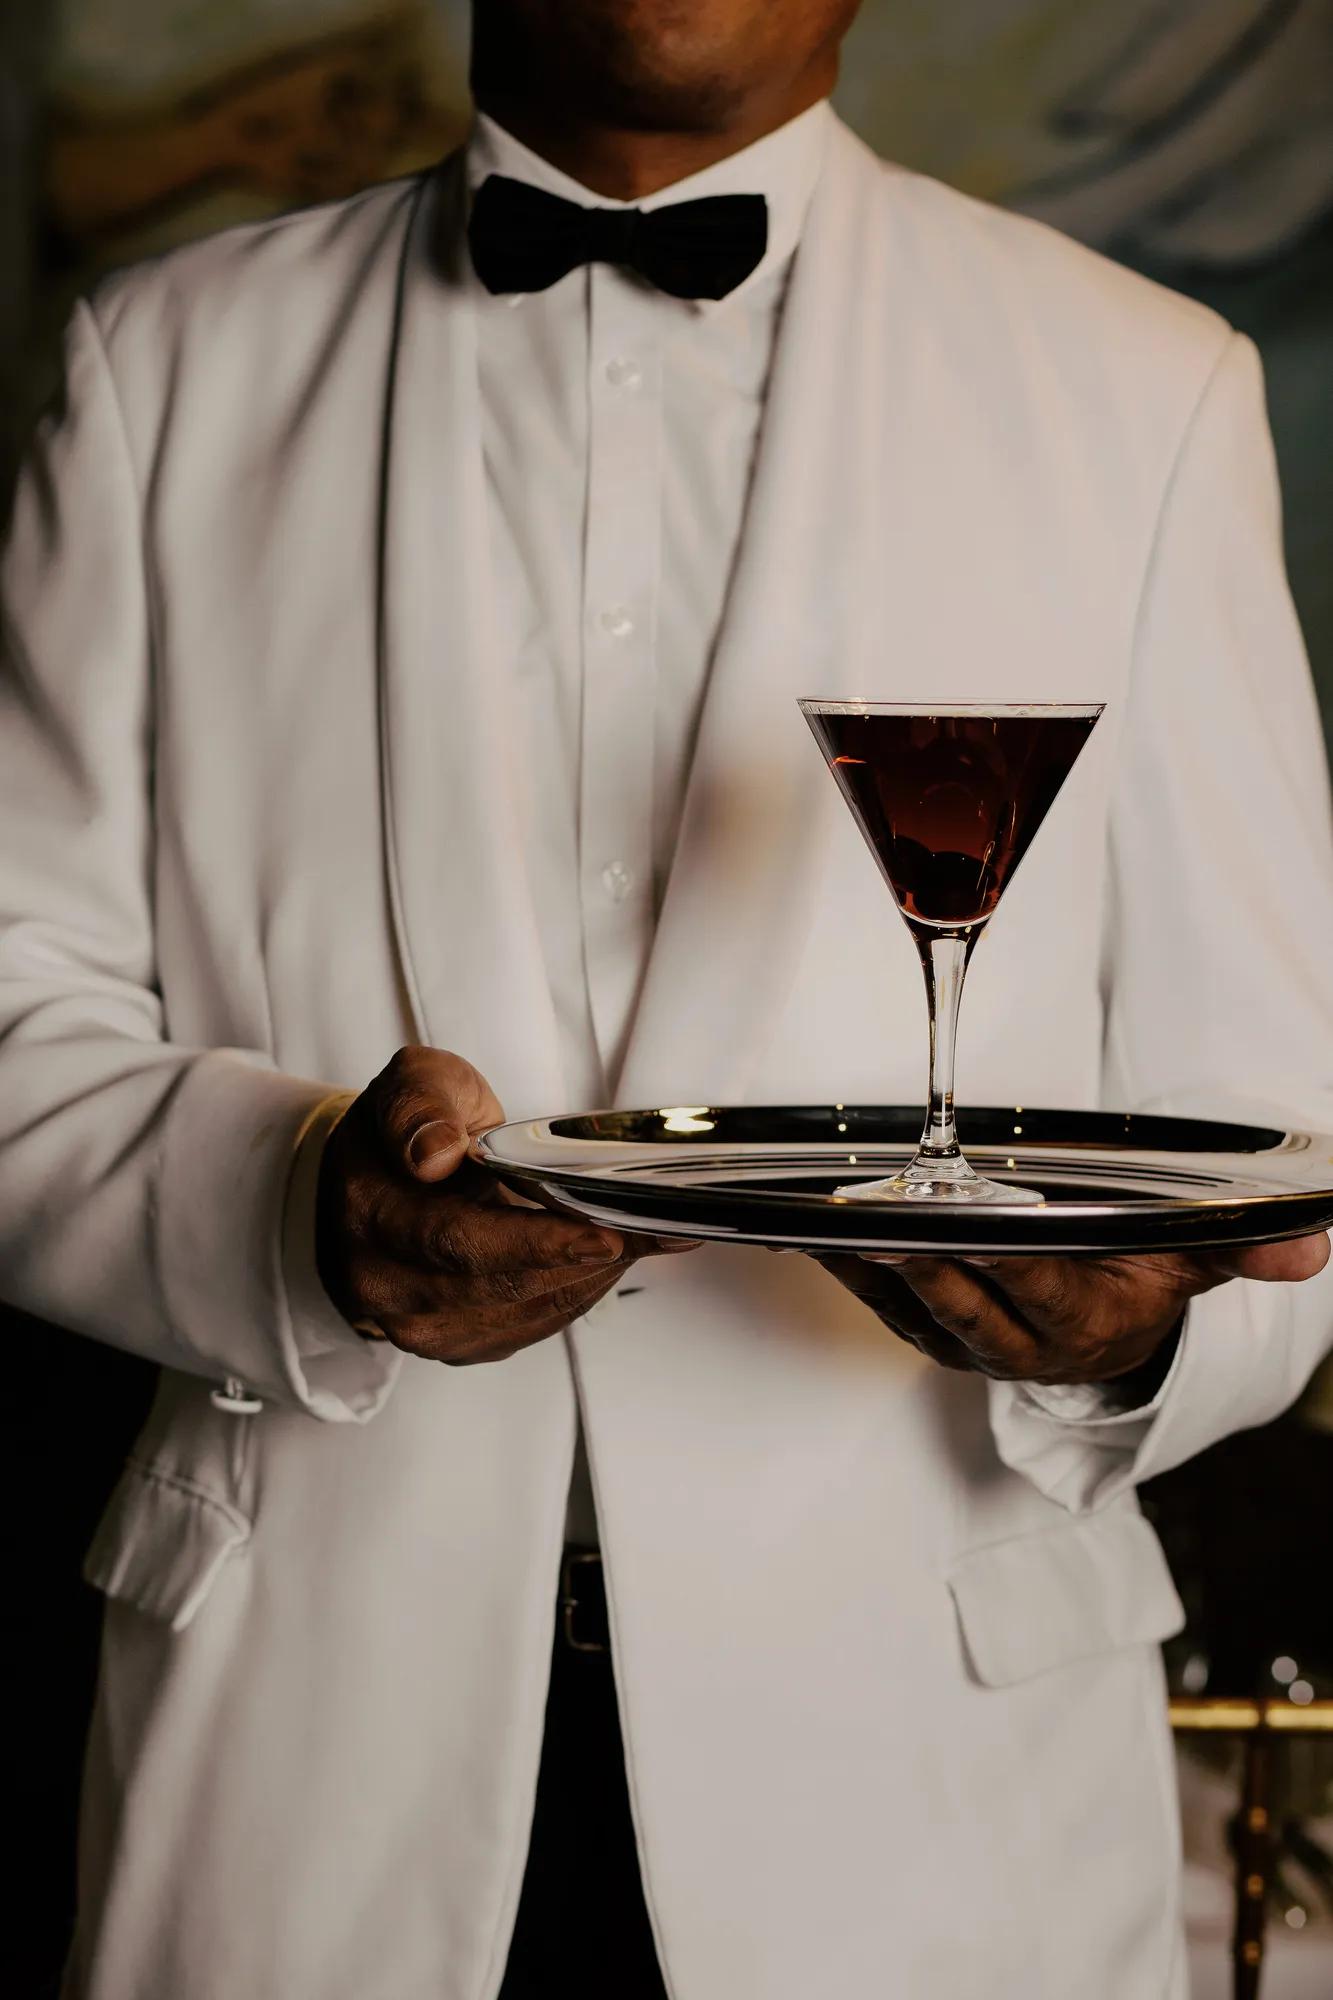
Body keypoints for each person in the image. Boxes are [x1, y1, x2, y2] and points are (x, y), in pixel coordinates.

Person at [3, 2, 1332, 1994]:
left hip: (927, 1784)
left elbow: (1276, 1116)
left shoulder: (1145, 385)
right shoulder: (158, 366)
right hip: (306, 1767)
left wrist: (1125, 1337)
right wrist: (293, 1210)